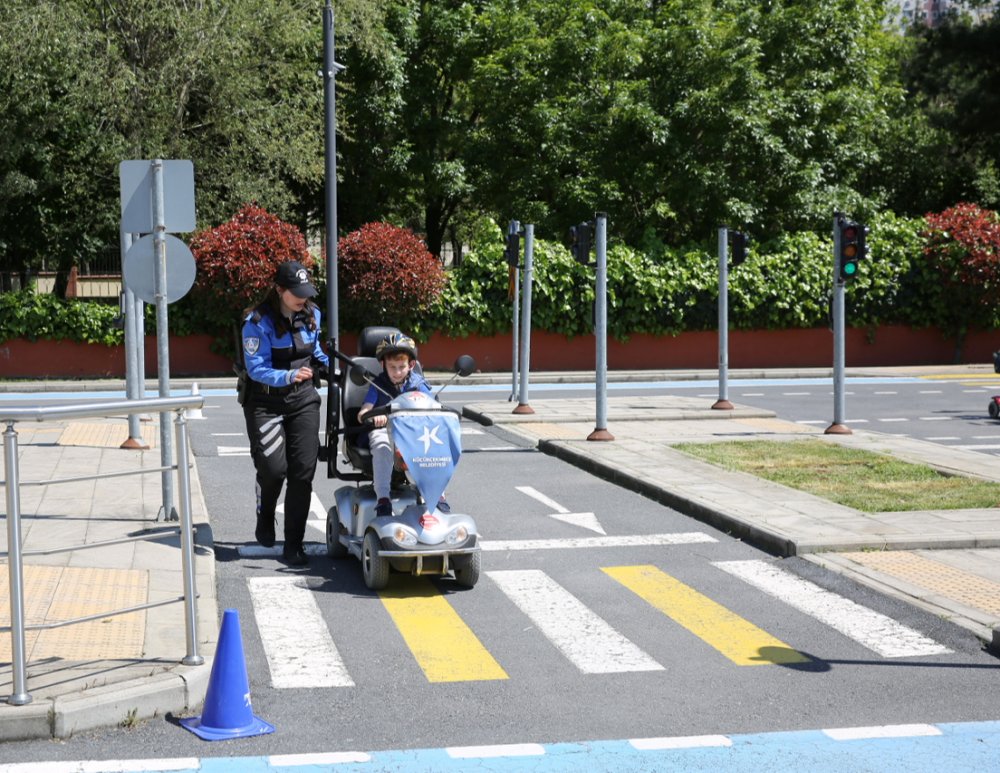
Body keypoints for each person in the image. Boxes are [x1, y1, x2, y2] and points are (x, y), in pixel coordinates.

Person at [241, 260, 329, 567]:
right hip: (265, 403)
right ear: (279, 290)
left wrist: (333, 366)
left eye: (305, 292)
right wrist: (288, 377)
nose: (302, 298)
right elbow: (257, 369)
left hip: (303, 400)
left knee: (302, 473)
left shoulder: (312, 315)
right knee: (273, 470)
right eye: (295, 292)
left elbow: (316, 353)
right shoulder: (257, 322)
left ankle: (294, 544)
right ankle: (265, 514)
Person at [356, 332, 438, 517]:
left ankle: (434, 495)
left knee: (430, 446)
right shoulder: (377, 383)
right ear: (382, 364)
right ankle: (383, 499)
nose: (397, 372)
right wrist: (371, 416)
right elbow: (363, 411)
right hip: (383, 431)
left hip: (412, 432)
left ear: (411, 365)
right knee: (382, 446)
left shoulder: (419, 384)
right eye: (392, 367)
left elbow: (434, 406)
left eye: (401, 367)